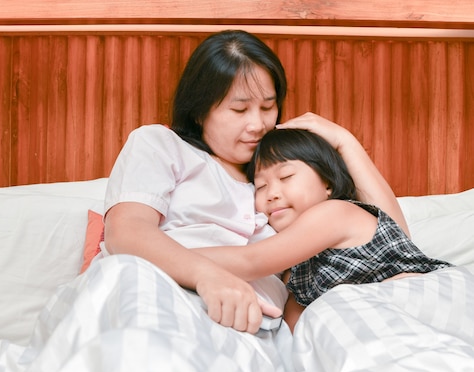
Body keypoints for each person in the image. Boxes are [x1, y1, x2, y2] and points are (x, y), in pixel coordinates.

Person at [101, 29, 407, 335]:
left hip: (256, 330)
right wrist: (205, 275)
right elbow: (125, 232)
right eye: (239, 109)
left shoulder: (284, 181)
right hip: (163, 297)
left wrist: (345, 143)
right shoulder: (161, 143)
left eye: (267, 107)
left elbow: (393, 244)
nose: (257, 124)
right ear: (199, 111)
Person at [193, 128, 454, 331]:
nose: (272, 194)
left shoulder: (335, 213)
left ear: (327, 183)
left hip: (425, 304)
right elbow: (299, 330)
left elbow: (251, 261)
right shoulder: (296, 271)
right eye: (260, 187)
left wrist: (167, 254)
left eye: (286, 177)